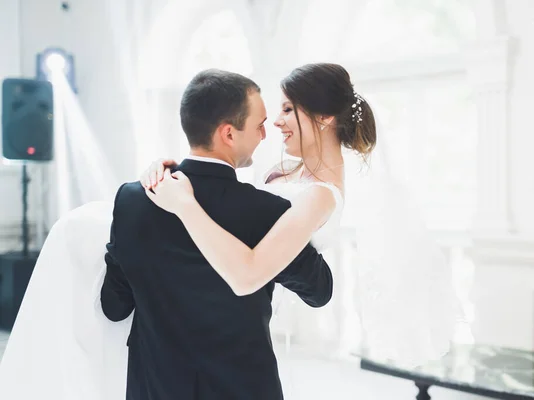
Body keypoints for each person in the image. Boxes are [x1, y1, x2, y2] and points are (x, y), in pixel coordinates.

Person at [0, 69, 334, 400]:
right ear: (229, 134)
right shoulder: (265, 211)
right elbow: (319, 290)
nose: (265, 134)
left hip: (154, 388)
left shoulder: (131, 200)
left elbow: (113, 306)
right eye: (259, 125)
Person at [142, 63, 456, 368]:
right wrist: (167, 170)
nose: (276, 122)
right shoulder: (279, 174)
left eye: (288, 109)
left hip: (247, 322)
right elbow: (224, 204)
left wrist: (184, 204)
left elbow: (250, 272)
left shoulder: (320, 196)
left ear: (325, 117)